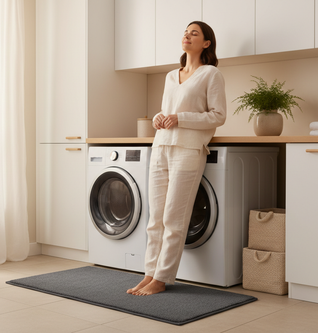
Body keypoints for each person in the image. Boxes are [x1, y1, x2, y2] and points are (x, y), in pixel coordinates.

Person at [127, 21, 227, 296]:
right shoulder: (172, 75)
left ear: (206, 43)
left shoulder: (211, 74)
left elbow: (218, 115)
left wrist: (179, 118)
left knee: (174, 217)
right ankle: (149, 274)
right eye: (186, 31)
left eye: (194, 33)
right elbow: (167, 110)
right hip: (161, 147)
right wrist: (160, 117)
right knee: (154, 218)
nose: (187, 35)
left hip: (188, 149)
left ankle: (162, 277)